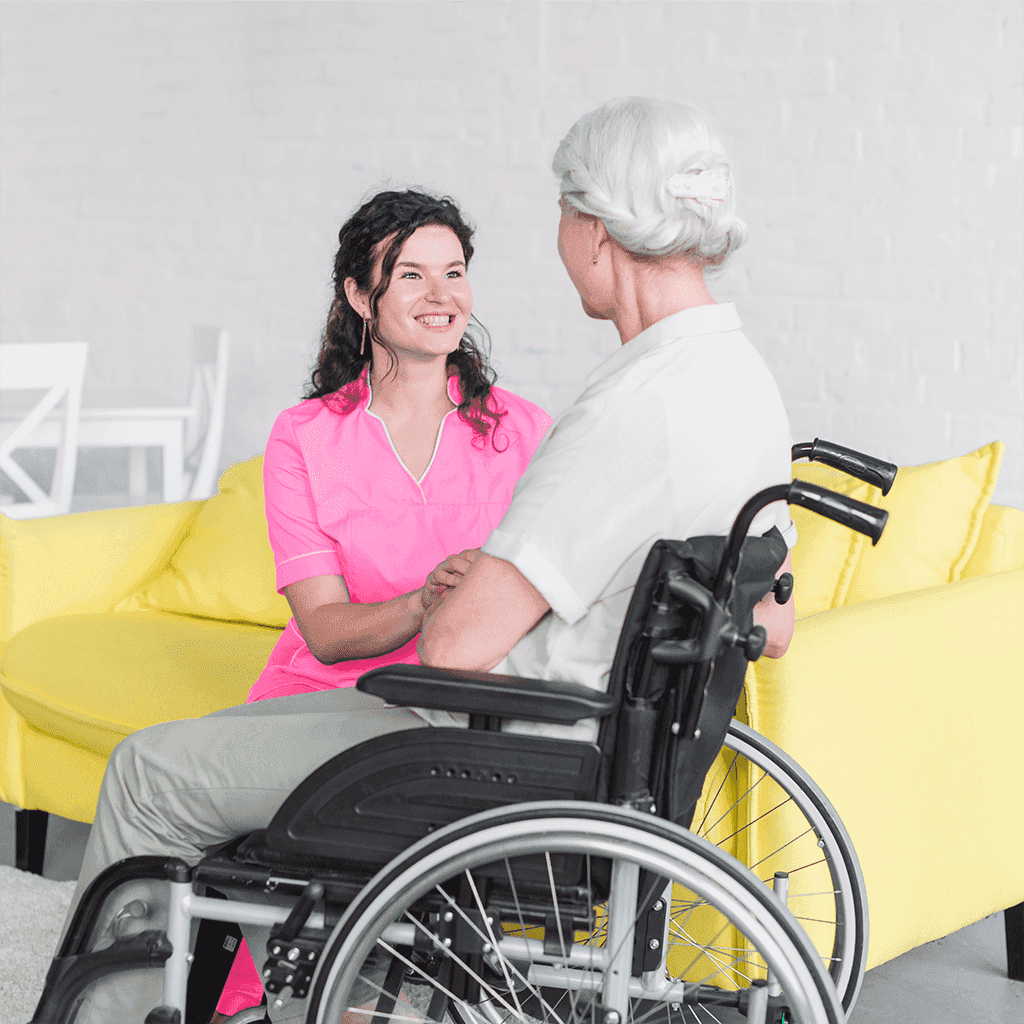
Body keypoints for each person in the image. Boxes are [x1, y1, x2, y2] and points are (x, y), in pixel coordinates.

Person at [49, 97, 794, 1024]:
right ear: (363, 298)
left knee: (145, 773)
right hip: (593, 746)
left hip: (497, 750)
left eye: (562, 218)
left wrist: (462, 597)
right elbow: (775, 621)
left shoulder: (621, 410)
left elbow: (451, 649)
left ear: (596, 231)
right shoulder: (741, 384)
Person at [216, 189, 552, 1017]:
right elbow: (327, 634)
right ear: (361, 298)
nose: (443, 297)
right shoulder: (305, 435)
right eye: (412, 275)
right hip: (318, 695)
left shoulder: (523, 432)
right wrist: (426, 597)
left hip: (449, 704)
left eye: (455, 273)